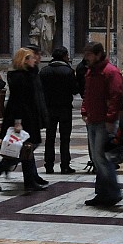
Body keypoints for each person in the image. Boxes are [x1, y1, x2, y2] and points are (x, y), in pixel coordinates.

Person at [0, 47, 50, 193]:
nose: (35, 59)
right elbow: (17, 101)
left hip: (31, 117)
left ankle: (29, 181)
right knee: (24, 149)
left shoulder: (30, 74)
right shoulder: (19, 77)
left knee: (27, 149)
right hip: (22, 118)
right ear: (25, 60)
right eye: (32, 58)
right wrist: (17, 121)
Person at [81, 41, 123, 208]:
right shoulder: (91, 72)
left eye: (89, 54)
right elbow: (87, 93)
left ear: (98, 54)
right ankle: (102, 192)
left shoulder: (111, 72)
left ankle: (113, 192)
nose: (86, 58)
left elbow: (116, 96)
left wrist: (110, 119)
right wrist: (84, 111)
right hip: (92, 119)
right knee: (96, 158)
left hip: (104, 122)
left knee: (102, 158)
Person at [39, 46, 78, 174]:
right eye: (67, 55)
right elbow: (75, 90)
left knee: (49, 138)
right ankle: (65, 165)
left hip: (49, 109)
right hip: (64, 108)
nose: (68, 57)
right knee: (65, 138)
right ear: (64, 56)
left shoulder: (44, 71)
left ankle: (49, 165)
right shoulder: (68, 71)